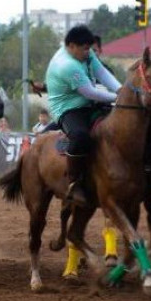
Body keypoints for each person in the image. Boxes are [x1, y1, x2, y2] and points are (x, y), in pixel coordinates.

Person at [46, 25, 121, 207]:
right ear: (71, 46)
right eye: (85, 48)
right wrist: (119, 97)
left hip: (88, 103)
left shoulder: (85, 53)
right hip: (68, 108)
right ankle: (74, 182)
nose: (89, 52)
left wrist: (121, 90)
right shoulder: (67, 65)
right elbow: (90, 92)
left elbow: (101, 73)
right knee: (81, 137)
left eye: (90, 48)